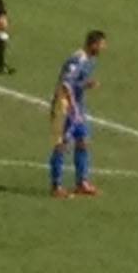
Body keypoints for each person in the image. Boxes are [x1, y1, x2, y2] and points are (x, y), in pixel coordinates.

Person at [49, 30, 106, 198]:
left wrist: (84, 86)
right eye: (102, 44)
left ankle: (82, 182)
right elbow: (66, 84)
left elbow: (77, 83)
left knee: (83, 142)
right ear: (93, 44)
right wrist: (74, 102)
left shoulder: (91, 60)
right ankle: (56, 186)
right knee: (62, 145)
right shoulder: (78, 59)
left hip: (78, 107)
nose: (104, 48)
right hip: (65, 106)